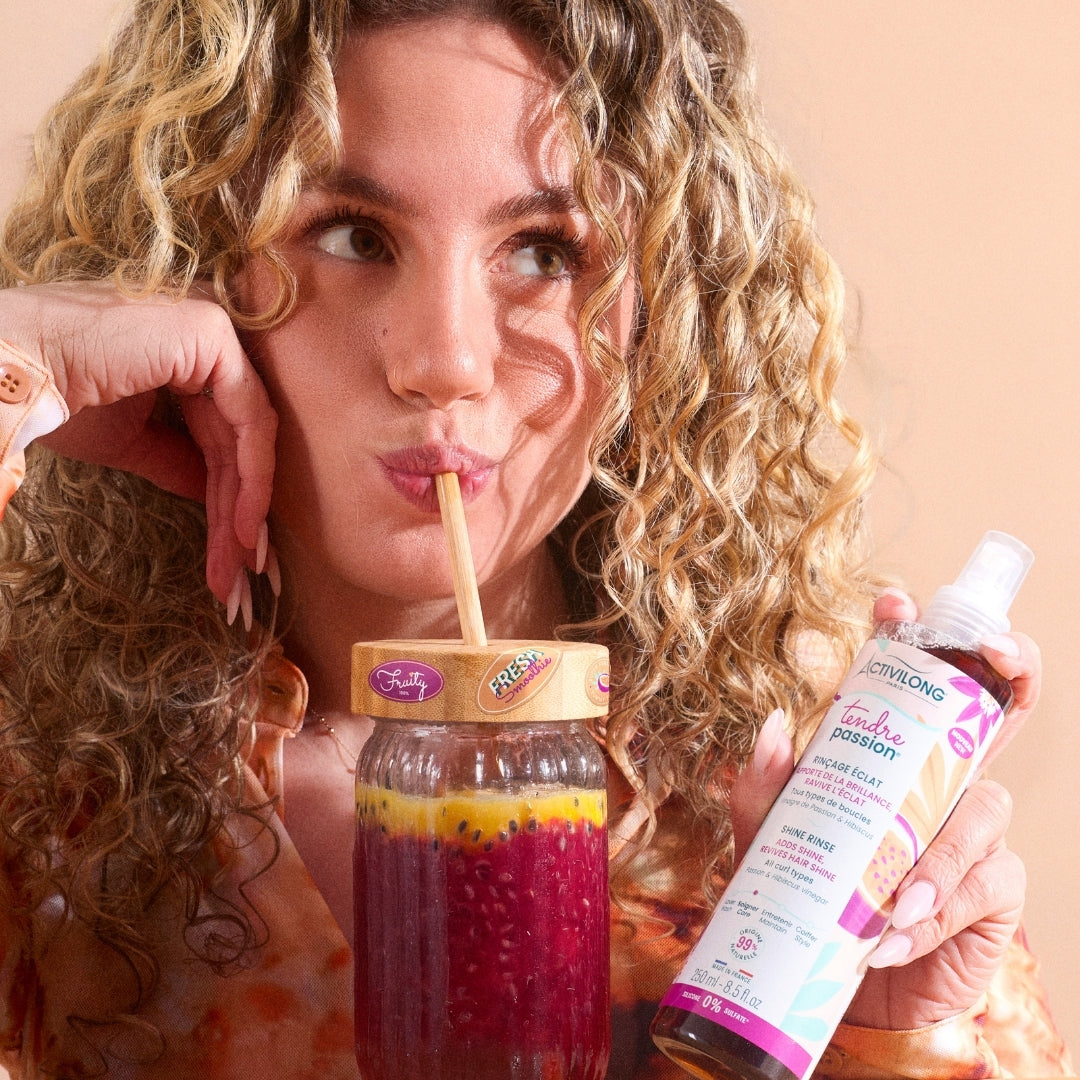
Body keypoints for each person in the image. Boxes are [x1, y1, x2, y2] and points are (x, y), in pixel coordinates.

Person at [0, 0, 1070, 1077]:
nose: (445, 362)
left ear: (667, 316)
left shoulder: (808, 816)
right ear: (198, 263)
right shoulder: (42, 791)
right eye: (355, 237)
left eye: (546, 251)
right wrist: (9, 379)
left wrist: (881, 1039)